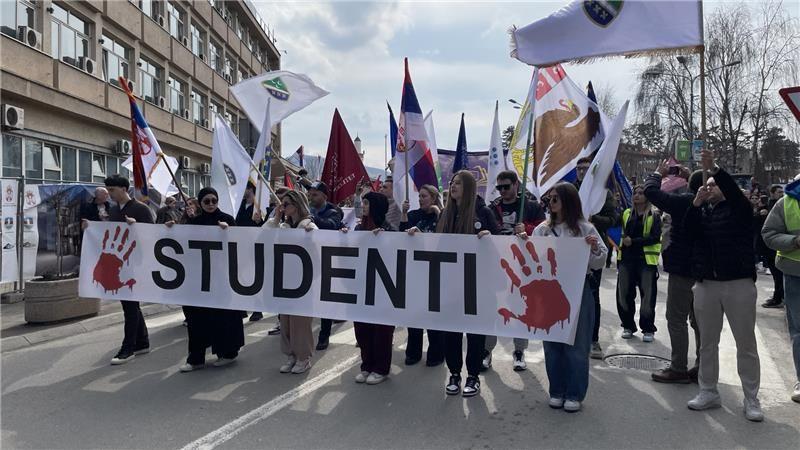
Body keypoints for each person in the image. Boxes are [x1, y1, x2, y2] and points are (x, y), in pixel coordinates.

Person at [685, 150, 763, 422]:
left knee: (746, 343)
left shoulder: (740, 210)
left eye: (713, 184)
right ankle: (708, 391)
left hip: (738, 283)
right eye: (705, 185)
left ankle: (751, 397)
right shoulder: (702, 213)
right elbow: (687, 233)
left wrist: (715, 169)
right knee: (707, 342)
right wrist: (695, 205)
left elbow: (733, 191)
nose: (710, 188)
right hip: (707, 284)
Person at [531, 182, 607, 413]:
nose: (551, 203)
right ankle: (557, 390)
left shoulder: (586, 229)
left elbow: (599, 261)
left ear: (568, 201)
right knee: (552, 342)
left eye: (555, 198)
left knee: (577, 343)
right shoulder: (542, 229)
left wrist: (593, 249)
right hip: (549, 290)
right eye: (549, 199)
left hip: (577, 288)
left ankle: (574, 393)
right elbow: (533, 258)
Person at [168, 187, 245, 372]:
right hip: (199, 279)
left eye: (214, 200)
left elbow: (239, 245)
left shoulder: (227, 219)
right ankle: (196, 358)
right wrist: (171, 230)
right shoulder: (195, 222)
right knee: (196, 318)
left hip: (222, 279)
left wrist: (228, 232)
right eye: (206, 201)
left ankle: (227, 353)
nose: (211, 204)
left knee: (223, 317)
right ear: (200, 203)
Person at [436, 170, 498, 397]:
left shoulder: (484, 212)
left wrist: (489, 238)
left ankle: (473, 376)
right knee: (451, 331)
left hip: (476, 285)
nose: (453, 186)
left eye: (459, 183)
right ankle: (454, 373)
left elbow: (499, 245)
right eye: (452, 182)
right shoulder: (445, 214)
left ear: (469, 187)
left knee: (474, 332)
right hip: (450, 284)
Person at [81, 175, 153, 365]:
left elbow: (153, 236)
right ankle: (142, 341)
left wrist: (136, 227)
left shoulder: (141, 209)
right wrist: (91, 228)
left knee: (129, 306)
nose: (110, 194)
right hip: (118, 265)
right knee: (130, 305)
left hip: (135, 264)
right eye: (108, 190)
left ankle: (128, 348)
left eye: (112, 190)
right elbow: (109, 234)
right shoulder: (113, 210)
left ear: (124, 189)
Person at [645, 161, 703, 384]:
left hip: (682, 268)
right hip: (703, 269)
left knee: (676, 318)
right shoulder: (712, 204)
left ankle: (678, 367)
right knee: (699, 320)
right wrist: (692, 177)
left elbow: (652, 192)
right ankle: (701, 366)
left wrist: (657, 174)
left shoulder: (685, 202)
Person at [484, 170, 546, 371]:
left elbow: (543, 231)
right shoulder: (492, 208)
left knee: (521, 308)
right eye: (499, 187)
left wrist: (526, 229)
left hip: (523, 267)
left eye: (506, 186)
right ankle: (486, 351)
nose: (502, 191)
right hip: (497, 265)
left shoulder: (531, 207)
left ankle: (519, 351)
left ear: (516, 185)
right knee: (492, 308)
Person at [343, 191, 396, 384]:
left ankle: (381, 368)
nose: (363, 206)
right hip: (361, 285)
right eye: (363, 203)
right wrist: (344, 238)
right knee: (362, 327)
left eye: (366, 203)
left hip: (383, 288)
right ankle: (366, 365)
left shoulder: (389, 229)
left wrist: (383, 240)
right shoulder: (358, 229)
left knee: (381, 329)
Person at [573, 156, 619, 360]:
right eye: (579, 169)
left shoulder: (602, 193)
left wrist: (594, 219)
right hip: (570, 250)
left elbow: (612, 219)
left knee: (592, 296)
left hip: (592, 250)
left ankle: (593, 340)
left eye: (585, 168)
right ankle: (571, 335)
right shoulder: (569, 191)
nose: (581, 172)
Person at [266, 190, 317, 374]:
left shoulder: (309, 225)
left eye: (286, 204)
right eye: (281, 204)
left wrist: (312, 235)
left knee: (300, 322)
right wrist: (276, 217)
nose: (282, 207)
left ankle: (303, 357)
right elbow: (263, 237)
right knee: (285, 320)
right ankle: (290, 355)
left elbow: (318, 249)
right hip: (284, 279)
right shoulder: (283, 227)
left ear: (297, 205)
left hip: (303, 282)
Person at [761, 174, 800, 403]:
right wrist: (794, 242)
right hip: (795, 272)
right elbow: (768, 234)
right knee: (799, 329)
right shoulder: (786, 202)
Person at [400, 184, 445, 367]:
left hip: (435, 271)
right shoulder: (414, 215)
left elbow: (445, 235)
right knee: (414, 314)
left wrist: (437, 212)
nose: (420, 199)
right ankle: (414, 352)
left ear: (433, 198)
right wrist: (404, 215)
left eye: (424, 196)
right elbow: (400, 234)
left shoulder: (442, 214)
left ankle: (436, 353)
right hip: (415, 271)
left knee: (434, 315)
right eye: (419, 197)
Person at [616, 185, 662, 343]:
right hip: (626, 260)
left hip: (645, 261)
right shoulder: (627, 213)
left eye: (641, 193)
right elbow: (617, 230)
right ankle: (628, 326)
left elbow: (656, 237)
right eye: (635, 193)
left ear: (647, 197)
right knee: (624, 295)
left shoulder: (654, 215)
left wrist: (633, 242)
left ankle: (648, 328)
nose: (637, 195)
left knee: (647, 297)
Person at [307, 181, 344, 350]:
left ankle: (324, 335)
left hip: (328, 260)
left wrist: (313, 220)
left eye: (315, 194)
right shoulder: (308, 210)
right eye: (310, 194)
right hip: (310, 259)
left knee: (325, 299)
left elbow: (331, 226)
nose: (311, 197)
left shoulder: (333, 212)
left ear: (324, 196)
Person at [236, 183, 266, 322]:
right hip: (240, 245)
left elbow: (267, 226)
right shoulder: (239, 205)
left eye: (245, 188)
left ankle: (257, 308)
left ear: (250, 189)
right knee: (240, 277)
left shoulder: (260, 206)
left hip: (254, 247)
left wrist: (259, 221)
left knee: (254, 278)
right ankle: (242, 307)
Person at [761, 184, 786, 308]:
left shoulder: (784, 206)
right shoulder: (770, 206)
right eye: (779, 192)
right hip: (770, 246)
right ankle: (778, 296)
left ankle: (778, 297)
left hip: (780, 246)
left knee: (779, 275)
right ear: (772, 193)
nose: (782, 194)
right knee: (776, 274)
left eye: (782, 192)